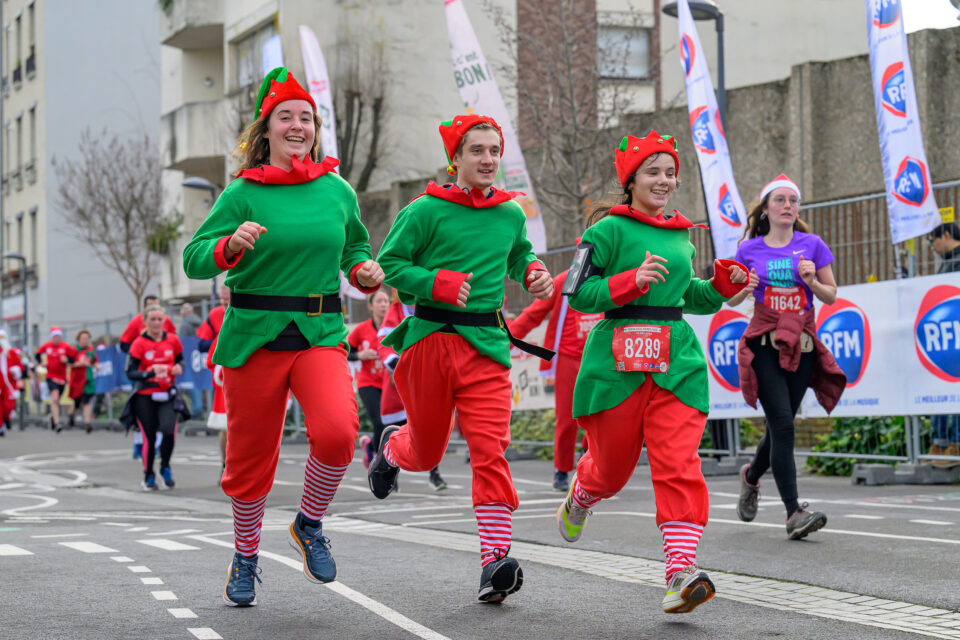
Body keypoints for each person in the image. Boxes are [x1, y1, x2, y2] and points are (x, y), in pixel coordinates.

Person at [183, 66, 383, 608]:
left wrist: (364, 270)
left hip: (319, 331)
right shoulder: (243, 192)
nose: (298, 125)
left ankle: (308, 524)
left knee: (340, 435)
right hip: (254, 334)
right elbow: (194, 257)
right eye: (286, 117)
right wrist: (229, 244)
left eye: (307, 118)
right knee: (249, 461)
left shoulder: (337, 190)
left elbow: (355, 249)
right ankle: (245, 555)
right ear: (265, 129)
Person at [556, 131, 748, 614]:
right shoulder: (604, 232)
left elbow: (686, 297)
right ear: (631, 180)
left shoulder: (682, 234)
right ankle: (583, 491)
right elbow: (577, 293)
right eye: (653, 172)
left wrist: (720, 288)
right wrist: (628, 281)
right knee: (613, 471)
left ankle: (680, 571)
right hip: (615, 364)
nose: (664, 180)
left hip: (676, 362)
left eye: (669, 172)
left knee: (679, 463)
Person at [369, 114, 554, 603]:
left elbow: (516, 255)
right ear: (456, 159)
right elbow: (387, 265)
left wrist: (533, 271)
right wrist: (437, 283)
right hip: (430, 342)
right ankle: (392, 448)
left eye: (494, 150)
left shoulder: (511, 212)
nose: (488, 159)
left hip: (487, 347)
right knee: (426, 452)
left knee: (491, 450)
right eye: (477, 150)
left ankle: (494, 562)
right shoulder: (424, 211)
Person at [727, 174, 846, 539]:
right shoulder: (748, 250)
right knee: (782, 423)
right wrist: (742, 289)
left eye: (793, 201)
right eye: (780, 200)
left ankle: (751, 475)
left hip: (802, 346)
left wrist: (812, 282)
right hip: (763, 345)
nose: (788, 206)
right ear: (766, 208)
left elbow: (831, 295)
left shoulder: (812, 244)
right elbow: (728, 299)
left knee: (781, 426)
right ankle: (794, 512)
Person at [509, 260, 604, 491]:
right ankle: (561, 471)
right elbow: (533, 314)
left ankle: (587, 457)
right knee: (567, 418)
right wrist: (506, 339)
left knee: (600, 415)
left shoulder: (608, 279)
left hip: (598, 356)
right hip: (568, 357)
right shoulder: (563, 281)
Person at [371, 291, 448, 491]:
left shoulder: (438, 302)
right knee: (400, 425)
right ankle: (390, 463)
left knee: (431, 427)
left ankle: (435, 474)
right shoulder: (396, 309)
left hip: (430, 377)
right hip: (402, 378)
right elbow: (383, 343)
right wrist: (395, 361)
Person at [122, 305, 188, 490]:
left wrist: (179, 367)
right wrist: (149, 373)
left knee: (169, 431)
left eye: (160, 319)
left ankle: (165, 467)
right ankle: (148, 474)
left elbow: (181, 359)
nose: (157, 323)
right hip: (145, 395)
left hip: (167, 392)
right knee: (149, 437)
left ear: (165, 321)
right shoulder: (139, 343)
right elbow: (130, 372)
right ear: (145, 321)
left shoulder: (172, 340)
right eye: (153, 319)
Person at [121, 295, 177, 459]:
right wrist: (140, 353)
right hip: (144, 376)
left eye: (157, 306)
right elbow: (123, 344)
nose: (157, 319)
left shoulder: (165, 321)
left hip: (163, 380)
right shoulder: (137, 322)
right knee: (144, 416)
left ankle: (159, 447)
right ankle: (139, 443)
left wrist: (177, 364)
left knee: (165, 419)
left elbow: (174, 341)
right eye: (150, 307)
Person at [350, 290, 389, 467]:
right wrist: (360, 354)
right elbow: (346, 350)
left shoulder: (394, 327)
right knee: (380, 421)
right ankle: (383, 465)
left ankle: (370, 446)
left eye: (386, 301)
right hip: (368, 383)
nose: (383, 304)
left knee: (392, 424)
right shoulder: (361, 329)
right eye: (379, 301)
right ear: (370, 306)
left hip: (390, 383)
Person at [198, 286, 230, 471]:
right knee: (225, 428)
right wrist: (222, 341)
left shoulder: (248, 312)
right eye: (222, 301)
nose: (224, 304)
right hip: (223, 373)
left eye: (227, 300)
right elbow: (202, 344)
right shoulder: (215, 315)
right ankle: (224, 465)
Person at [36, 327, 78, 432]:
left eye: (58, 336)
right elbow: (38, 354)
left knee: (57, 400)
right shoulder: (47, 346)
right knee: (54, 398)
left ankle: (53, 418)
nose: (57, 338)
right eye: (55, 336)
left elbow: (73, 359)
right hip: (50, 376)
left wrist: (66, 360)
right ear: (51, 337)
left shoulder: (65, 346)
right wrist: (41, 363)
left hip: (62, 378)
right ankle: (57, 423)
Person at [67, 329, 99, 433]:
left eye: (87, 338)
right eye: (83, 338)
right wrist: (79, 364)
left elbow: (95, 361)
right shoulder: (74, 349)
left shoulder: (90, 350)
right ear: (79, 339)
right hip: (77, 381)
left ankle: (87, 424)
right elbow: (69, 364)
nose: (85, 340)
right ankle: (71, 416)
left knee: (86, 402)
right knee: (75, 403)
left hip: (88, 380)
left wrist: (97, 366)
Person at [179, 303, 205, 418]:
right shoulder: (201, 322)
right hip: (200, 358)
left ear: (183, 313)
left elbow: (183, 343)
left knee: (191, 383)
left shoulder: (185, 324)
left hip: (189, 359)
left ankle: (196, 410)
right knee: (200, 383)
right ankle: (200, 409)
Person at [0, 329, 23, 435]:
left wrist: (15, 370)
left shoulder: (12, 352)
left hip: (9, 384)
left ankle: (6, 418)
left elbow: (19, 366)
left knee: (9, 406)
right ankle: (1, 426)